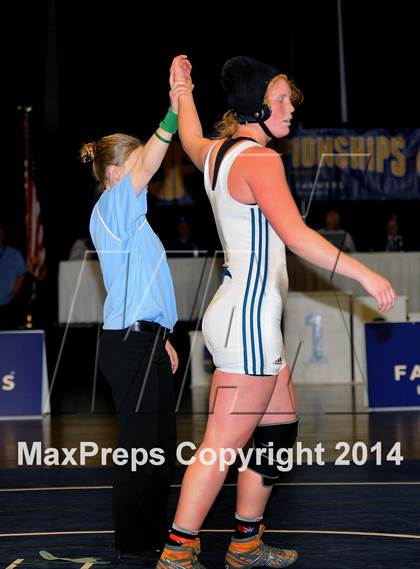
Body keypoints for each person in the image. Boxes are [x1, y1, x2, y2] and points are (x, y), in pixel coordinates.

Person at [155, 55, 396, 569]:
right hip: (247, 321)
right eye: (281, 99)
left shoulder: (218, 154)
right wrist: (365, 274)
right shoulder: (261, 162)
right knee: (221, 444)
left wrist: (182, 91)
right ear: (255, 106)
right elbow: (298, 237)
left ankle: (244, 543)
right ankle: (177, 552)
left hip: (243, 315)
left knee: (279, 428)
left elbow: (191, 136)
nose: (291, 108)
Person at [79, 62, 191, 563]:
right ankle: (137, 546)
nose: (145, 169)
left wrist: (161, 335)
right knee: (142, 452)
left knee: (159, 450)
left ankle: (151, 536)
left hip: (143, 340)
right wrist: (173, 108)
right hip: (130, 345)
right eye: (136, 162)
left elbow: (140, 285)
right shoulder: (113, 205)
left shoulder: (128, 215)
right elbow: (150, 162)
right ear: (114, 172)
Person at [0, 227, 28, 330]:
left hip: (9, 306)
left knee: (9, 336)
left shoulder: (14, 254)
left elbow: (22, 273)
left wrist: (16, 289)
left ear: (2, 235)